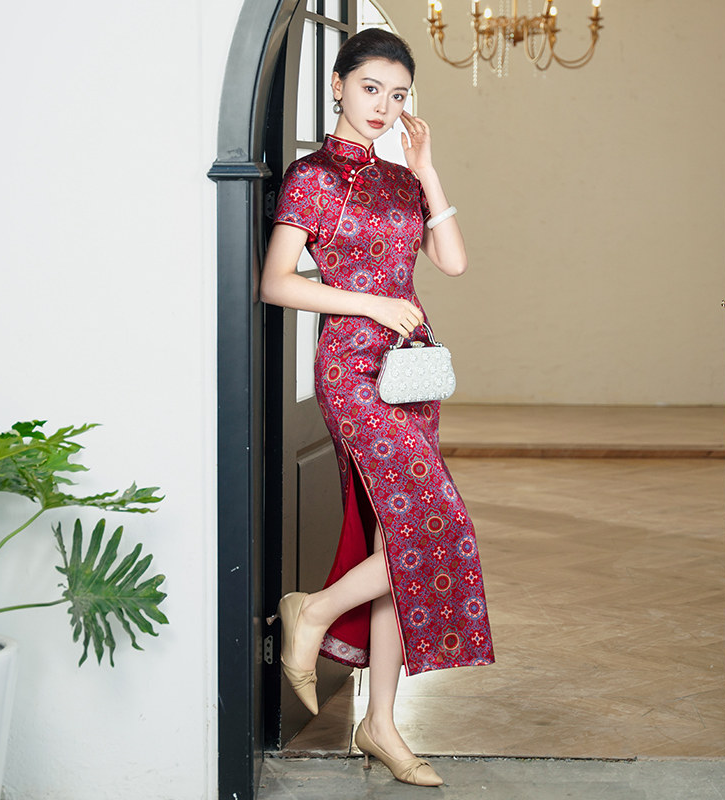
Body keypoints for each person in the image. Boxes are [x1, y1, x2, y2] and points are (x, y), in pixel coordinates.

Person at [262, 28, 493, 788]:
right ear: (337, 85)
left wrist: (427, 170)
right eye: (370, 89)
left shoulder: (400, 178)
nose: (383, 106)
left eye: (397, 95)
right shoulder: (311, 177)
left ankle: (381, 724)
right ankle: (313, 611)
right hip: (353, 370)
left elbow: (453, 262)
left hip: (410, 374)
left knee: (398, 536)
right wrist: (370, 301)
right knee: (435, 526)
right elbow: (277, 283)